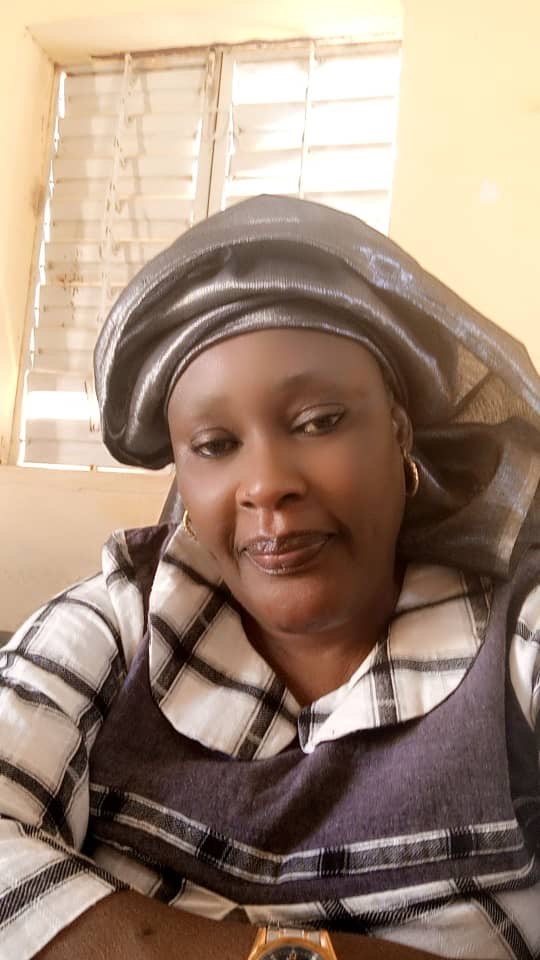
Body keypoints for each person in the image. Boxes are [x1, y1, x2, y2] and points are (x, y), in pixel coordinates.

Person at [1, 195, 539, 960]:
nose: (266, 485)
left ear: (399, 432)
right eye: (216, 445)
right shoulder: (120, 623)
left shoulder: (518, 647)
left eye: (319, 422)